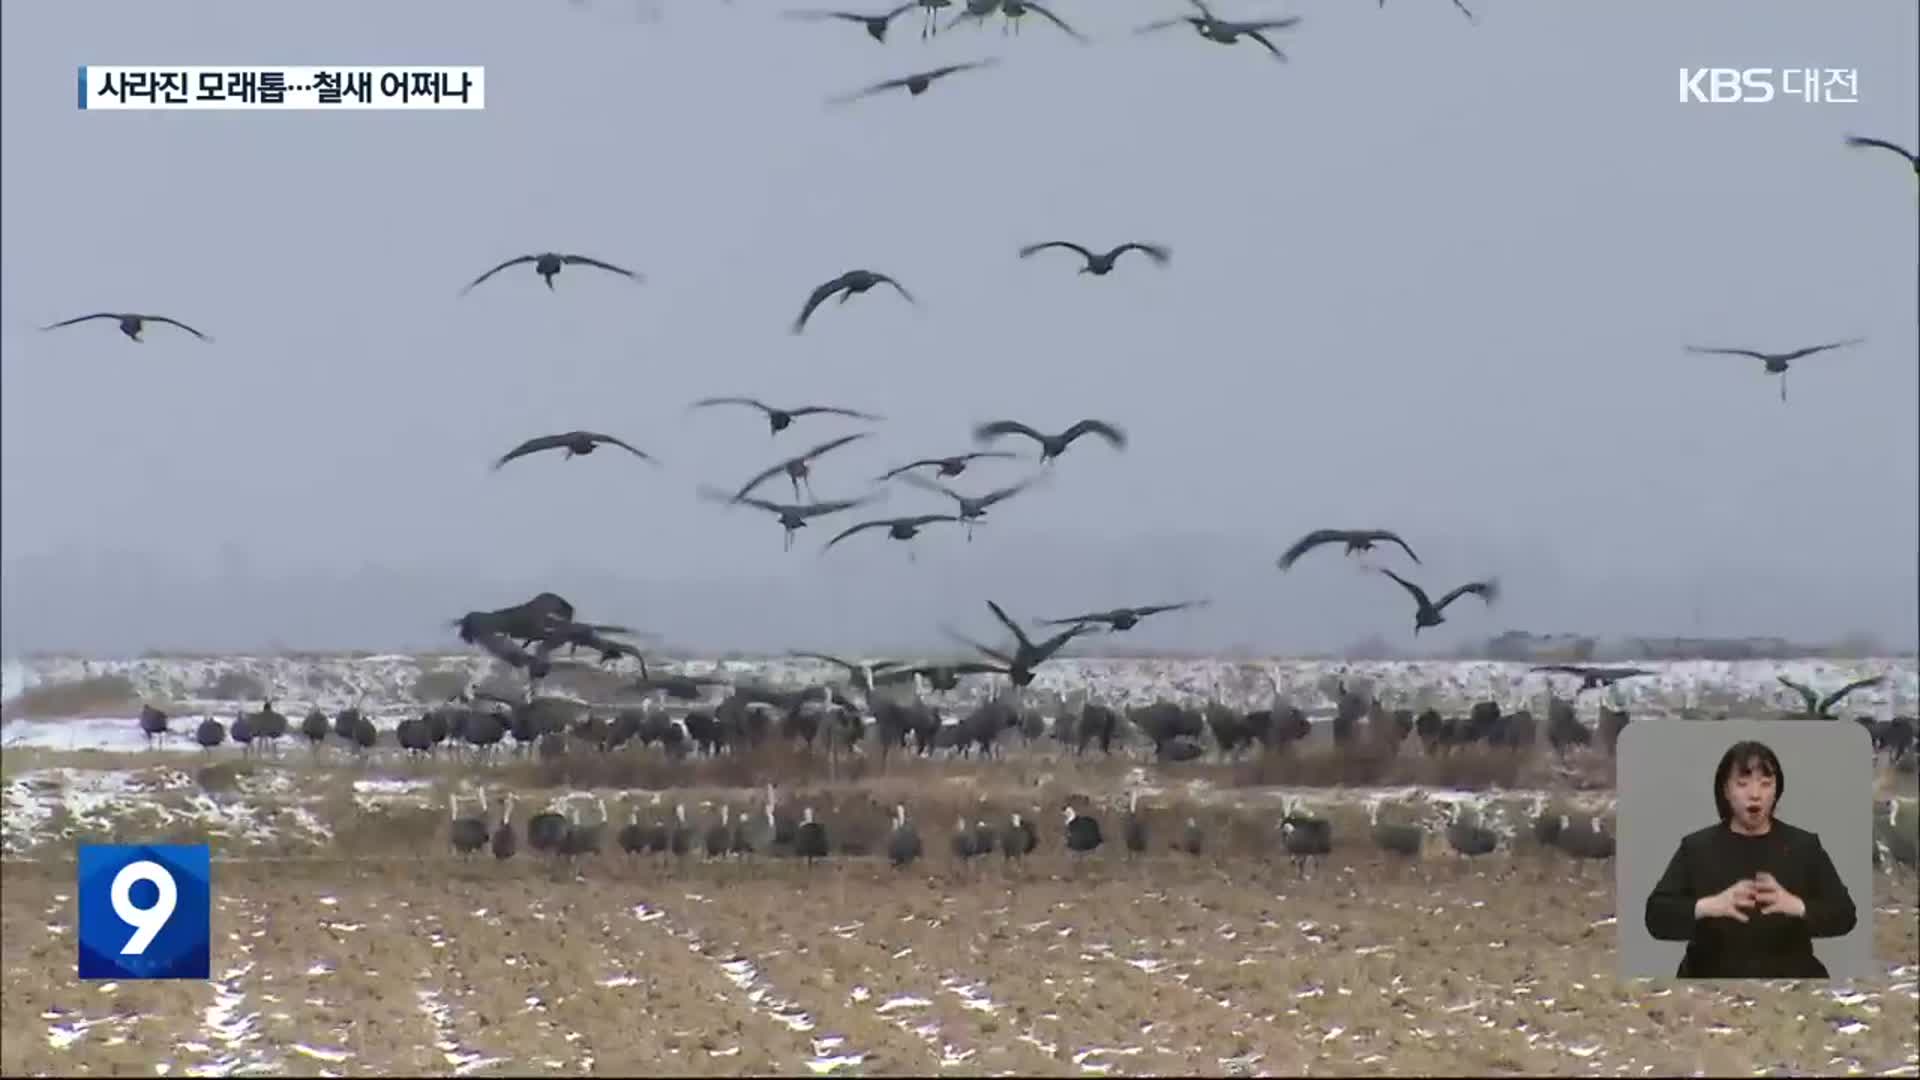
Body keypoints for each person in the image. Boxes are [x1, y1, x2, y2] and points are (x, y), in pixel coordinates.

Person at [1643, 739, 1857, 978]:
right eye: (1742, 784)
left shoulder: (1804, 846)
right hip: (1710, 980)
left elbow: (1845, 914)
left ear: (1777, 791)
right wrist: (1709, 906)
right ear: (1725, 790)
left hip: (1791, 980)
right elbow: (1656, 917)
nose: (1755, 795)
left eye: (1766, 784)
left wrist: (1796, 906)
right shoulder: (1696, 848)